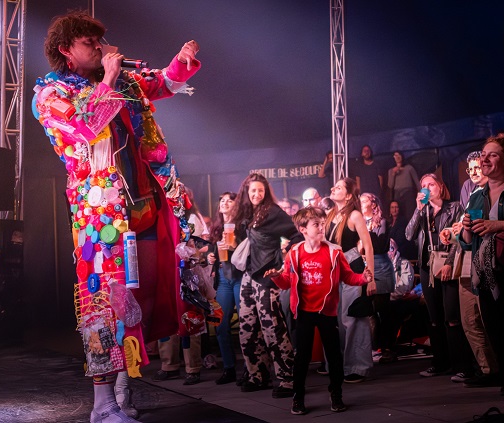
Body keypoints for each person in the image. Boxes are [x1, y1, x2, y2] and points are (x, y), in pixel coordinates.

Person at [33, 10, 201, 422]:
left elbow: (164, 82)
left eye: (99, 41)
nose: (100, 48)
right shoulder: (49, 95)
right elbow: (86, 126)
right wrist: (107, 78)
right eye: (89, 43)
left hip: (143, 206)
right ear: (66, 50)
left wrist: (181, 61)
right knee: (104, 306)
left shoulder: (125, 81)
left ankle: (123, 393)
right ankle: (102, 405)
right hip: (101, 219)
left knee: (140, 303)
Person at [265, 207, 372, 415]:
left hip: (327, 311)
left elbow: (348, 276)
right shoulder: (294, 252)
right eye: (317, 224)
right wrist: (276, 277)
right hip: (304, 311)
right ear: (303, 229)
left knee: (334, 355)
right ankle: (298, 397)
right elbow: (286, 282)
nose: (322, 227)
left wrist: (363, 278)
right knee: (302, 357)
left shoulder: (334, 251)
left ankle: (336, 394)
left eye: (323, 224)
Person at [460, 135, 504, 422]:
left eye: (492, 155)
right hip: (488, 283)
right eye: (484, 154)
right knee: (503, 347)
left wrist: (499, 225)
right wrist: (466, 229)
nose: (485, 159)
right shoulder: (476, 196)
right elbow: (468, 242)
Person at [232, 173, 303, 398]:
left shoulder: (273, 211)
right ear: (246, 191)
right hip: (248, 274)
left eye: (260, 190)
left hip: (266, 275)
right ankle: (257, 374)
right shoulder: (245, 212)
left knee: (272, 326)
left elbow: (296, 235)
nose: (257, 194)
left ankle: (287, 378)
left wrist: (282, 259)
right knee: (247, 327)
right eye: (253, 190)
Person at [405, 173, 475, 381]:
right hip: (428, 267)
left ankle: (461, 365)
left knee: (452, 317)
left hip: (446, 264)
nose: (427, 188)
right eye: (424, 185)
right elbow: (408, 235)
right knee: (434, 318)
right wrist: (418, 209)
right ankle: (440, 362)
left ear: (440, 187)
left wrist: (449, 263)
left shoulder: (454, 207)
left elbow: (458, 238)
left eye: (431, 184)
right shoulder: (423, 211)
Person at [447, 151, 499, 386]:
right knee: (469, 320)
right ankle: (488, 370)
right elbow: (466, 235)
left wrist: (465, 231)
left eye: (478, 167)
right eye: (470, 169)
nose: (474, 172)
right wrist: (454, 233)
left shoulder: (497, 191)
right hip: (467, 260)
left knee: (490, 319)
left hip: (490, 261)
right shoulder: (472, 193)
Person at [325, 177, 376, 383]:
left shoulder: (354, 215)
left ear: (347, 195)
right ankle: (337, 364)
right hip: (332, 269)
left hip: (351, 267)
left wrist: (370, 278)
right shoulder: (330, 215)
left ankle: (357, 367)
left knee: (353, 318)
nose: (332, 188)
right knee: (335, 319)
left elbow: (368, 246)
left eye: (338, 187)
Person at [206, 192, 242, 385]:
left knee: (247, 324)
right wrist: (210, 257)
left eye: (229, 200)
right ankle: (229, 368)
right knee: (220, 323)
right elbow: (213, 252)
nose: (225, 203)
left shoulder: (243, 225)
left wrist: (233, 244)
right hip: (223, 279)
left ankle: (253, 368)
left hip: (240, 277)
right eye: (222, 200)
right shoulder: (217, 227)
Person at [359, 193, 396, 363]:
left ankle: (386, 347)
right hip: (363, 266)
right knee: (370, 311)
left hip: (380, 266)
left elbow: (380, 246)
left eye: (364, 201)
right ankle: (375, 347)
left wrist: (365, 236)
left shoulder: (381, 222)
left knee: (382, 309)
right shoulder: (357, 221)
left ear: (373, 204)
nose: (360, 203)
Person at [386, 151, 420, 221]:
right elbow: (390, 185)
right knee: (399, 214)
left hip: (408, 193)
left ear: (402, 156)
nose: (397, 157)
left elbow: (417, 182)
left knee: (410, 213)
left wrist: (421, 193)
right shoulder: (391, 170)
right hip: (397, 195)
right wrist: (393, 174)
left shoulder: (409, 168)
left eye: (399, 155)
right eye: (395, 155)